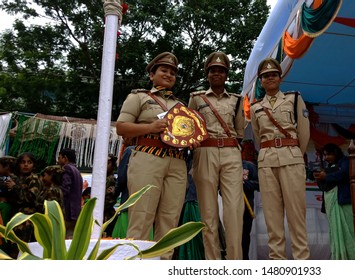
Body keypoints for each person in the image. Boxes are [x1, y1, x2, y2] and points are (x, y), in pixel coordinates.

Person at [116, 51, 199, 260]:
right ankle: (136, 267)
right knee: (142, 217)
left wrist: (193, 140)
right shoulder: (139, 97)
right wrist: (150, 127)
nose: (169, 74)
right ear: (152, 74)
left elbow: (187, 134)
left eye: (172, 72)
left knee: (170, 221)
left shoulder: (181, 106)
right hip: (147, 156)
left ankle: (163, 266)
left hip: (177, 162)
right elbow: (121, 127)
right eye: (164, 70)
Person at [249, 58, 310, 260]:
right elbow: (259, 138)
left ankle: (302, 260)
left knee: (296, 215)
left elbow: (304, 131)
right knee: (272, 216)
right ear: (261, 81)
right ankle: (277, 261)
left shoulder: (293, 99)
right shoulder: (256, 107)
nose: (270, 78)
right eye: (265, 76)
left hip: (292, 159)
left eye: (273, 74)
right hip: (267, 163)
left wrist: (294, 155)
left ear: (280, 78)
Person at [188, 51, 245, 260]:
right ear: (207, 74)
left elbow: (240, 132)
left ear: (227, 75)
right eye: (213, 70)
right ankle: (212, 264)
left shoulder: (237, 101)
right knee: (208, 213)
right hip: (204, 151)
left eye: (221, 71)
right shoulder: (196, 99)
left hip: (231, 152)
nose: (217, 74)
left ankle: (235, 263)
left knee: (234, 212)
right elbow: (189, 127)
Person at [313, 143, 355, 259]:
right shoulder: (330, 167)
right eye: (324, 155)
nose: (326, 158)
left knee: (349, 231)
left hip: (344, 201)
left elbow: (344, 174)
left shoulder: (345, 161)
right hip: (334, 203)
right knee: (336, 230)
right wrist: (320, 177)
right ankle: (340, 257)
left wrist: (325, 177)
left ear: (335, 153)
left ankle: (353, 258)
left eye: (328, 155)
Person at [57, 148, 83, 239]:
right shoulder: (76, 171)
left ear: (65, 158)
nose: (58, 160)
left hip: (68, 211)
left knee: (65, 239)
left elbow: (64, 189)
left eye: (59, 157)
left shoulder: (66, 168)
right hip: (75, 212)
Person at [242, 159, 259, 260]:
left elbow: (258, 184)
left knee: (245, 236)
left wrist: (244, 183)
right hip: (231, 206)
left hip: (247, 207)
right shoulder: (225, 165)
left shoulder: (249, 165)